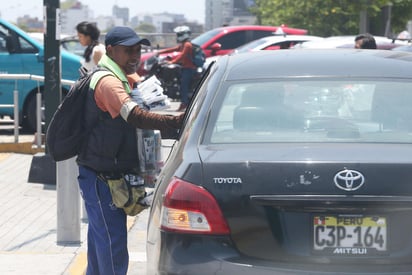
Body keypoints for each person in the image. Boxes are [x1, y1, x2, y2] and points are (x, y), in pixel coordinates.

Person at [76, 26, 184, 275]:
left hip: (107, 174)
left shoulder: (123, 76)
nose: (135, 55)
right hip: (101, 178)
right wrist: (176, 123)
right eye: (128, 51)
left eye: (138, 50)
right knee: (112, 246)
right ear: (111, 51)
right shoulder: (107, 82)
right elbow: (134, 115)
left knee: (99, 243)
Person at [156, 25, 197, 112]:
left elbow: (183, 55)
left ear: (184, 34)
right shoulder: (183, 45)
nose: (177, 36)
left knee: (183, 86)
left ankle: (184, 103)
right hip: (184, 68)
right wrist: (159, 52)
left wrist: (172, 62)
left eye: (179, 34)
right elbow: (173, 49)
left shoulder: (187, 45)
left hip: (189, 69)